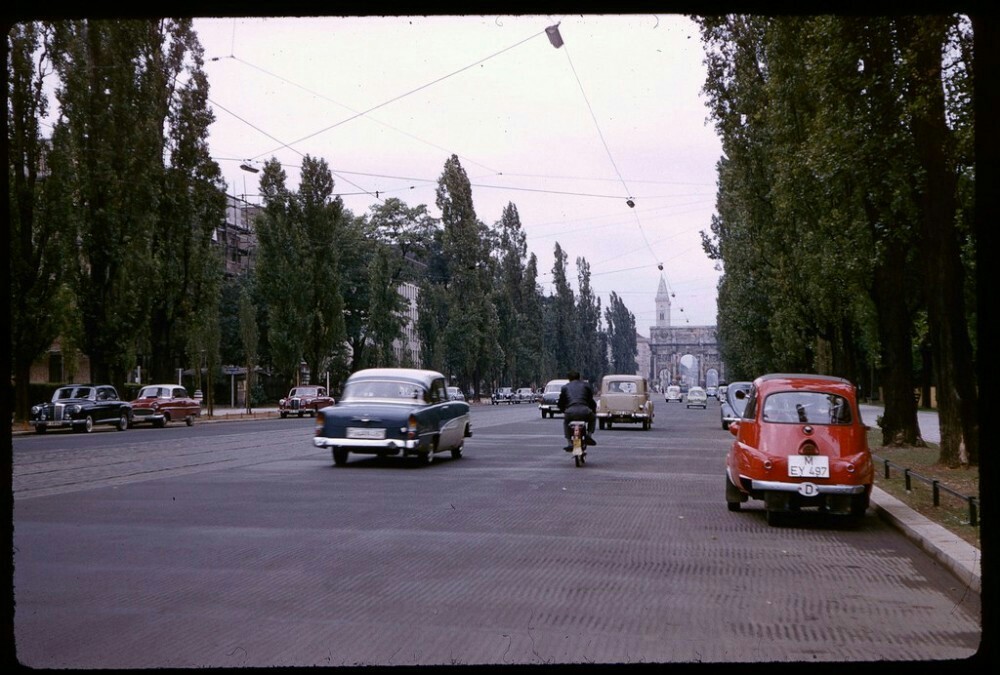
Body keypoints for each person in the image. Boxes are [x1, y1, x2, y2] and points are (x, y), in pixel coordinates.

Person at [557, 370, 597, 451]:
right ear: (579, 377)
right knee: (593, 418)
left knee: (566, 422)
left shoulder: (565, 387)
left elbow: (561, 402)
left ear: (569, 379)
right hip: (585, 411)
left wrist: (563, 411)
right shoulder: (586, 386)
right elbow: (591, 401)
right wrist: (593, 410)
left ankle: (569, 442)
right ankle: (589, 435)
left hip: (570, 412)